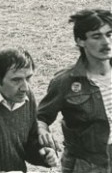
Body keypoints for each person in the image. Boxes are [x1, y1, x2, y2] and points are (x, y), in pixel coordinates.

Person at [37, 9, 112, 173]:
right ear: (80, 41)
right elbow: (40, 117)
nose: (106, 42)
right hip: (86, 165)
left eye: (109, 34)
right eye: (97, 36)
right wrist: (43, 134)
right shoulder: (65, 81)